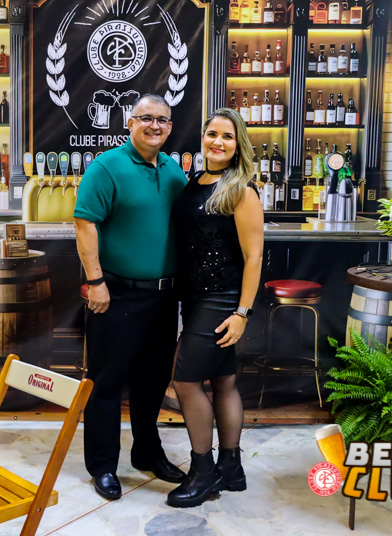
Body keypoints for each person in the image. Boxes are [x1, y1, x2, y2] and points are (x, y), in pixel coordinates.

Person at [73, 94, 189, 500]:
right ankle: (103, 465)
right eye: (146, 118)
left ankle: (147, 452)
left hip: (164, 297)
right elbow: (84, 224)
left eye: (162, 120)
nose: (154, 126)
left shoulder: (173, 170)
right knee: (106, 384)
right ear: (130, 122)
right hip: (117, 293)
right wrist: (96, 281)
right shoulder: (106, 167)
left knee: (152, 381)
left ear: (170, 127)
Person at [166, 108, 264, 508]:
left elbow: (254, 257)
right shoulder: (194, 182)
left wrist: (242, 313)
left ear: (238, 145)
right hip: (194, 297)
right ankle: (231, 468)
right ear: (202, 138)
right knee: (223, 381)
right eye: (212, 134)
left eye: (227, 136)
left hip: (220, 299)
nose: (217, 142)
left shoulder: (241, 190)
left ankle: (203, 472)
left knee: (186, 382)